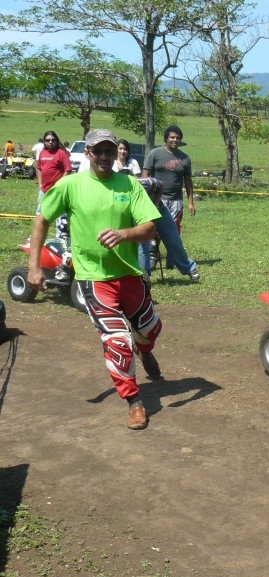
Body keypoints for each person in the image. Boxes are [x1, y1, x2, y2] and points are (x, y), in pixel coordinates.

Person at [26, 129, 163, 430]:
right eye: (97, 151)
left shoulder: (129, 184)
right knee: (117, 341)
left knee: (151, 329)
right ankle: (134, 401)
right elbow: (42, 221)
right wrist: (33, 267)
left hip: (129, 274)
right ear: (87, 153)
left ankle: (146, 349)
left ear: (116, 154)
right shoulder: (70, 185)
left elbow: (151, 228)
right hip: (93, 279)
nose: (103, 157)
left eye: (108, 151)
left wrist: (124, 234)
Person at [142, 125, 199, 281]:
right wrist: (145, 197)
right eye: (172, 137)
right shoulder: (155, 154)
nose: (175, 140)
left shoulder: (185, 158)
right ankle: (149, 264)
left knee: (173, 232)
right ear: (166, 138)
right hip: (155, 199)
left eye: (177, 138)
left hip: (175, 200)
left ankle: (174, 260)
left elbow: (188, 182)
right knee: (150, 231)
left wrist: (191, 202)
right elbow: (145, 176)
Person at [135, 176, 201, 282]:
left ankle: (190, 268)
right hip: (140, 216)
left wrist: (155, 204)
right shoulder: (120, 191)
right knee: (142, 246)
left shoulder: (146, 182)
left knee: (173, 240)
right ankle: (144, 276)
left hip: (160, 211)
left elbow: (160, 184)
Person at [36, 130, 72, 211]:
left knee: (59, 212)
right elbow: (39, 168)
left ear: (57, 141)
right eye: (47, 140)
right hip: (44, 189)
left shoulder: (61, 153)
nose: (50, 142)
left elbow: (68, 169)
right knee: (40, 211)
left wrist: (59, 184)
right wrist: (40, 184)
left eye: (53, 140)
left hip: (57, 189)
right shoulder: (42, 153)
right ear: (44, 142)